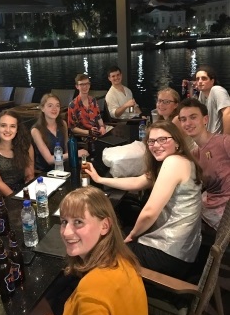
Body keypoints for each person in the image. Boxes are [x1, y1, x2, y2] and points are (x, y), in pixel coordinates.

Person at [84, 120, 203, 280]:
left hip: (169, 254)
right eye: (151, 141)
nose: (156, 145)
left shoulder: (173, 162)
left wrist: (133, 236)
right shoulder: (180, 161)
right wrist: (100, 180)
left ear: (177, 142)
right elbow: (137, 181)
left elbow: (149, 213)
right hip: (183, 250)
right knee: (118, 226)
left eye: (163, 139)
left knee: (101, 249)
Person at [45, 186, 148, 315]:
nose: (66, 232)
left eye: (78, 222)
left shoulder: (90, 292)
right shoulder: (124, 259)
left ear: (105, 226)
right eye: (64, 222)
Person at [178, 97, 230, 230]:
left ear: (205, 119)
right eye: (183, 119)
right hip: (209, 209)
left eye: (193, 117)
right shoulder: (194, 154)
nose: (188, 123)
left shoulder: (224, 142)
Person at [0, 109, 34, 197]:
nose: (8, 130)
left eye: (12, 126)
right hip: (0, 196)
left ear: (17, 129)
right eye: (3, 125)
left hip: (23, 190)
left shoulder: (26, 146)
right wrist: (16, 198)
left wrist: (28, 194)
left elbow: (29, 175)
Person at [31, 93, 88, 171]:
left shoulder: (63, 124)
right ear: (42, 108)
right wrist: (74, 153)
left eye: (57, 105)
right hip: (46, 172)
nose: (54, 109)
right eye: (50, 106)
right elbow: (49, 160)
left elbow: (66, 148)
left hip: (64, 166)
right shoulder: (36, 130)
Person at [195, 65, 230, 135]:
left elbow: (228, 113)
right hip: (208, 138)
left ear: (212, 81)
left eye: (204, 78)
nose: (200, 81)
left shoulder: (217, 90)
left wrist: (226, 139)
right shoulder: (202, 94)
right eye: (197, 79)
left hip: (218, 139)